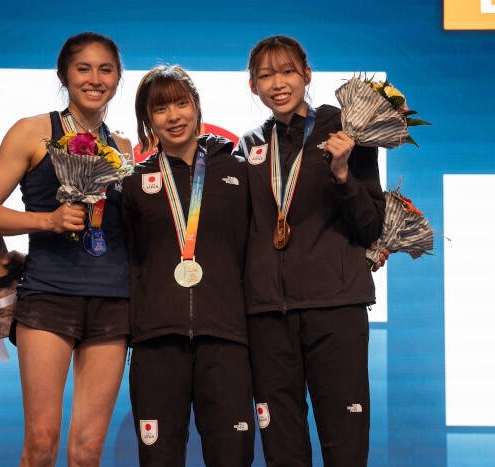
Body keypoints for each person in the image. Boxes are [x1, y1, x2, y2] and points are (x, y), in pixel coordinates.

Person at [0, 32, 132, 467]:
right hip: (49, 296)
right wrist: (48, 221)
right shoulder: (32, 131)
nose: (95, 79)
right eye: (84, 69)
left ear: (117, 78)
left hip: (113, 301)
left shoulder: (123, 147)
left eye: (106, 70)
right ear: (64, 75)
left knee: (88, 450)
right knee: (41, 445)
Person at [233, 35, 386, 466]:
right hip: (268, 315)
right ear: (253, 85)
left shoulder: (347, 129)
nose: (278, 83)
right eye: (266, 75)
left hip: (334, 307)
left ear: (307, 74)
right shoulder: (249, 145)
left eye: (287, 71)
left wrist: (342, 174)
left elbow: (370, 226)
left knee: (345, 447)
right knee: (282, 450)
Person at [121, 65, 254, 466]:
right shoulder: (133, 183)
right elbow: (124, 259)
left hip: (226, 338)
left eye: (181, 103)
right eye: (160, 108)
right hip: (157, 342)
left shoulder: (239, 171)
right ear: (147, 119)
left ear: (196, 106)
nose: (174, 116)